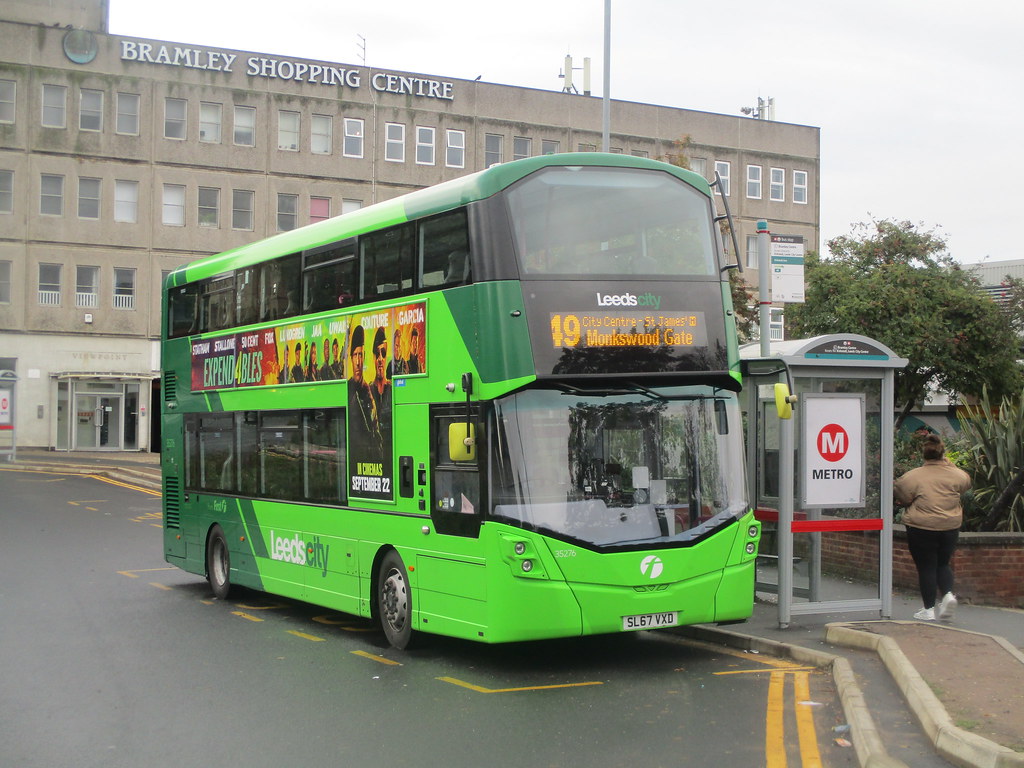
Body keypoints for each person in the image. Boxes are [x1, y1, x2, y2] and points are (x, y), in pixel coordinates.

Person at [894, 434, 972, 621]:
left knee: (926, 567)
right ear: (942, 453)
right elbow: (965, 484)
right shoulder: (957, 475)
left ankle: (928, 609)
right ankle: (947, 595)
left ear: (924, 454)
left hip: (921, 527)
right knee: (943, 563)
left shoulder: (913, 476)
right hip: (950, 526)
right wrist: (949, 465)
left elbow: (903, 496)